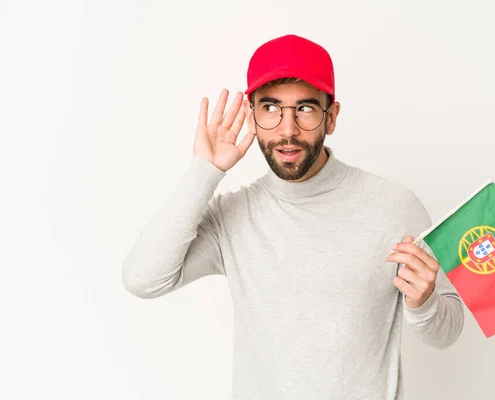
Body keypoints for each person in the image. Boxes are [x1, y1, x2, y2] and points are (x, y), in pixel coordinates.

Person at [122, 34, 464, 399]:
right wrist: (204, 171)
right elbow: (144, 279)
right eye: (270, 108)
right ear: (252, 116)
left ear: (330, 118)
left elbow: (448, 331)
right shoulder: (232, 217)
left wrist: (424, 302)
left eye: (305, 109)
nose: (287, 130)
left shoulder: (394, 207)